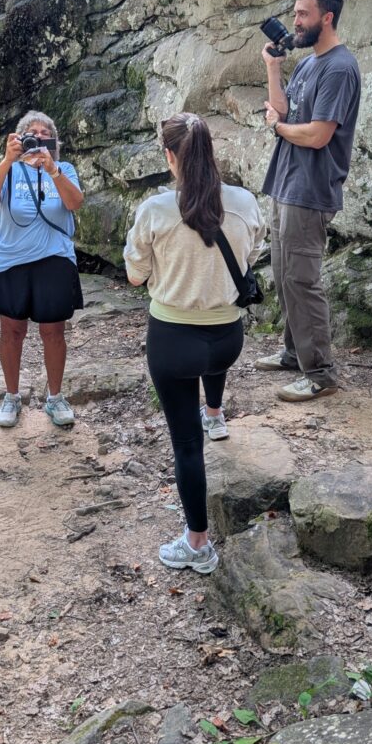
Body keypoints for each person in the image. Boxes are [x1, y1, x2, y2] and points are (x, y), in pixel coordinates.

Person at [124, 113, 264, 574]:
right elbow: (250, 254)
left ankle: (198, 543)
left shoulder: (156, 210)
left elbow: (134, 275)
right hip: (227, 339)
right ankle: (216, 412)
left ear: (169, 157)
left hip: (173, 340)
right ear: (211, 152)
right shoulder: (244, 202)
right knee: (210, 361)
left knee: (186, 445)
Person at [258, 0, 361, 402]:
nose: (295, 21)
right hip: (286, 181)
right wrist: (273, 69)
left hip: (311, 188)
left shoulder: (339, 67)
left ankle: (319, 373)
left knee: (302, 279)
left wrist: (277, 129)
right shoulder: (307, 65)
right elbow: (282, 109)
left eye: (303, 14)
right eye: (295, 12)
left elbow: (318, 135)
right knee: (284, 276)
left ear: (327, 18)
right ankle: (292, 353)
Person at [0, 111, 84, 429]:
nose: (38, 138)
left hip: (55, 259)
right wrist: (7, 160)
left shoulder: (63, 169)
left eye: (44, 134)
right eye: (31, 134)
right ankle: (11, 396)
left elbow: (75, 203)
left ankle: (55, 397)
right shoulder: (9, 170)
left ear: (53, 141)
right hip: (11, 260)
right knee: (11, 331)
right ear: (20, 139)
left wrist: (53, 171)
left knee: (53, 331)